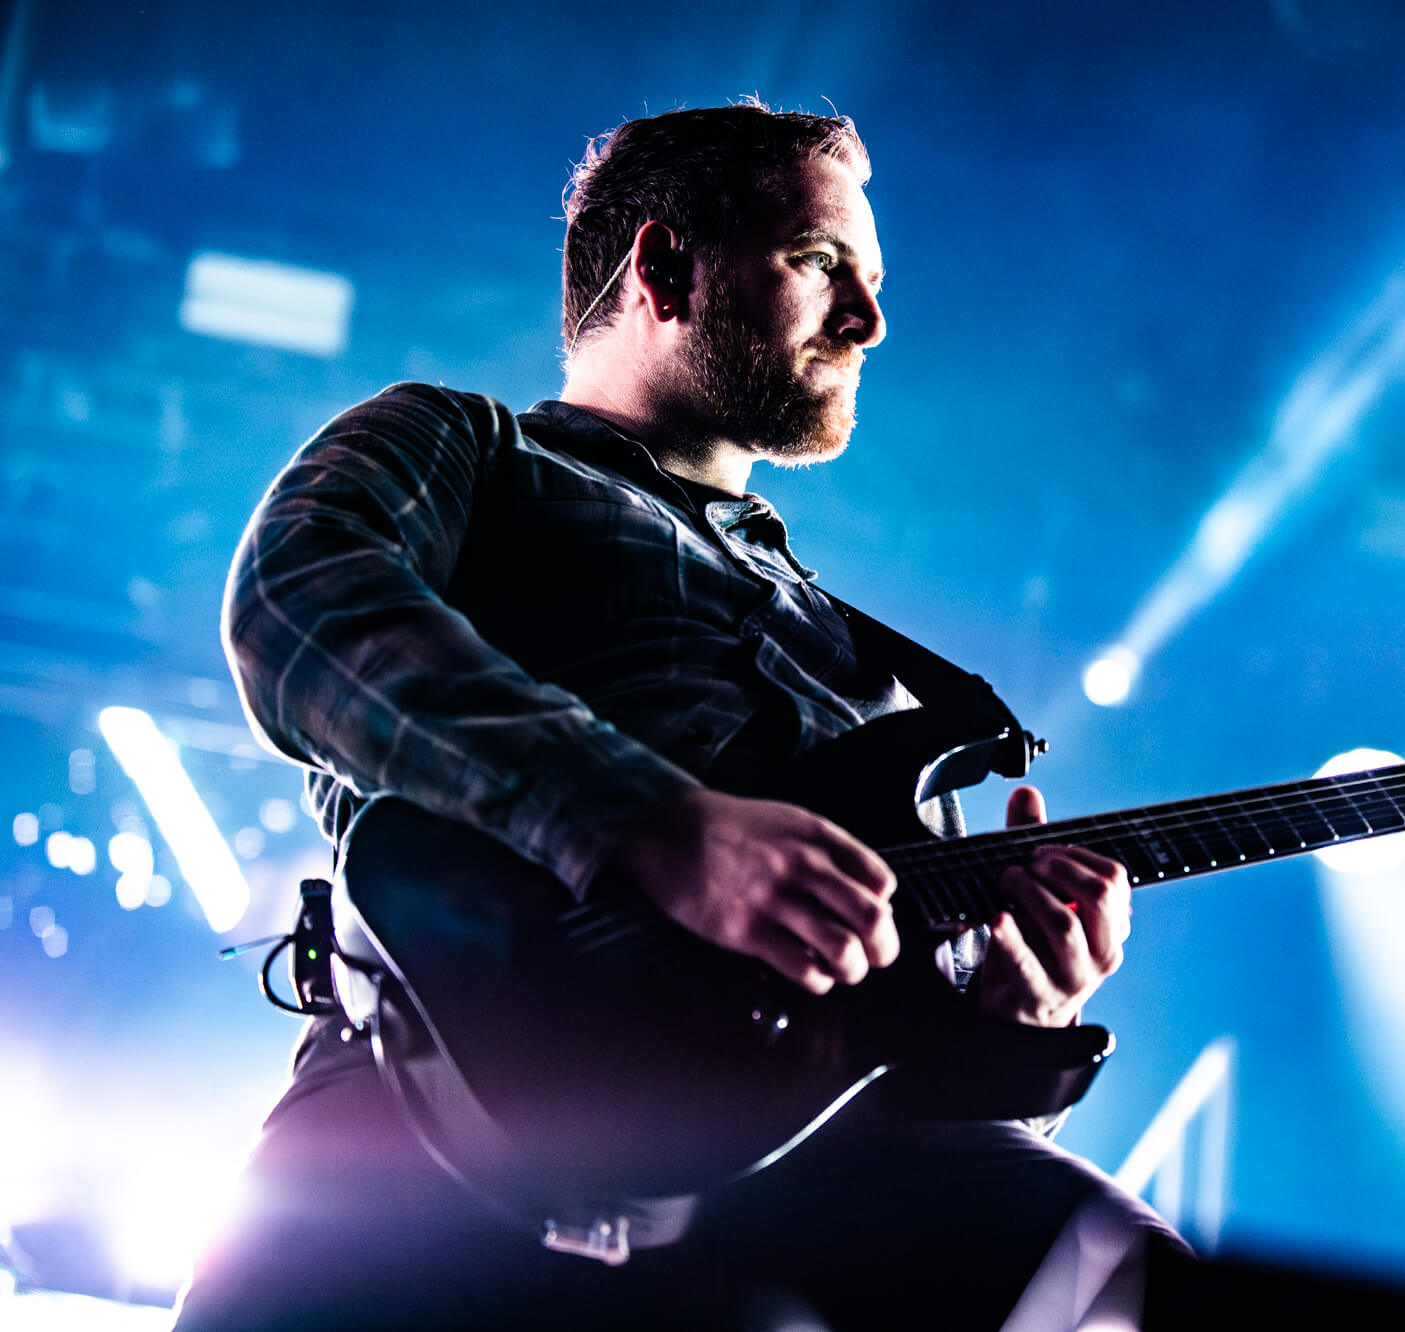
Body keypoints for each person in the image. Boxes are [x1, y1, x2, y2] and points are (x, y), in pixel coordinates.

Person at [174, 102, 1180, 1332]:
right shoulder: (467, 447)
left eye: (871, 283)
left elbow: (904, 1035)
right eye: (821, 263)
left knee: (1132, 1293)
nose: (867, 321)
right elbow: (300, 606)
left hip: (822, 1160)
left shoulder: (867, 666)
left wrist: (1012, 1017)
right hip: (432, 1115)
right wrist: (650, 822)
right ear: (664, 267)